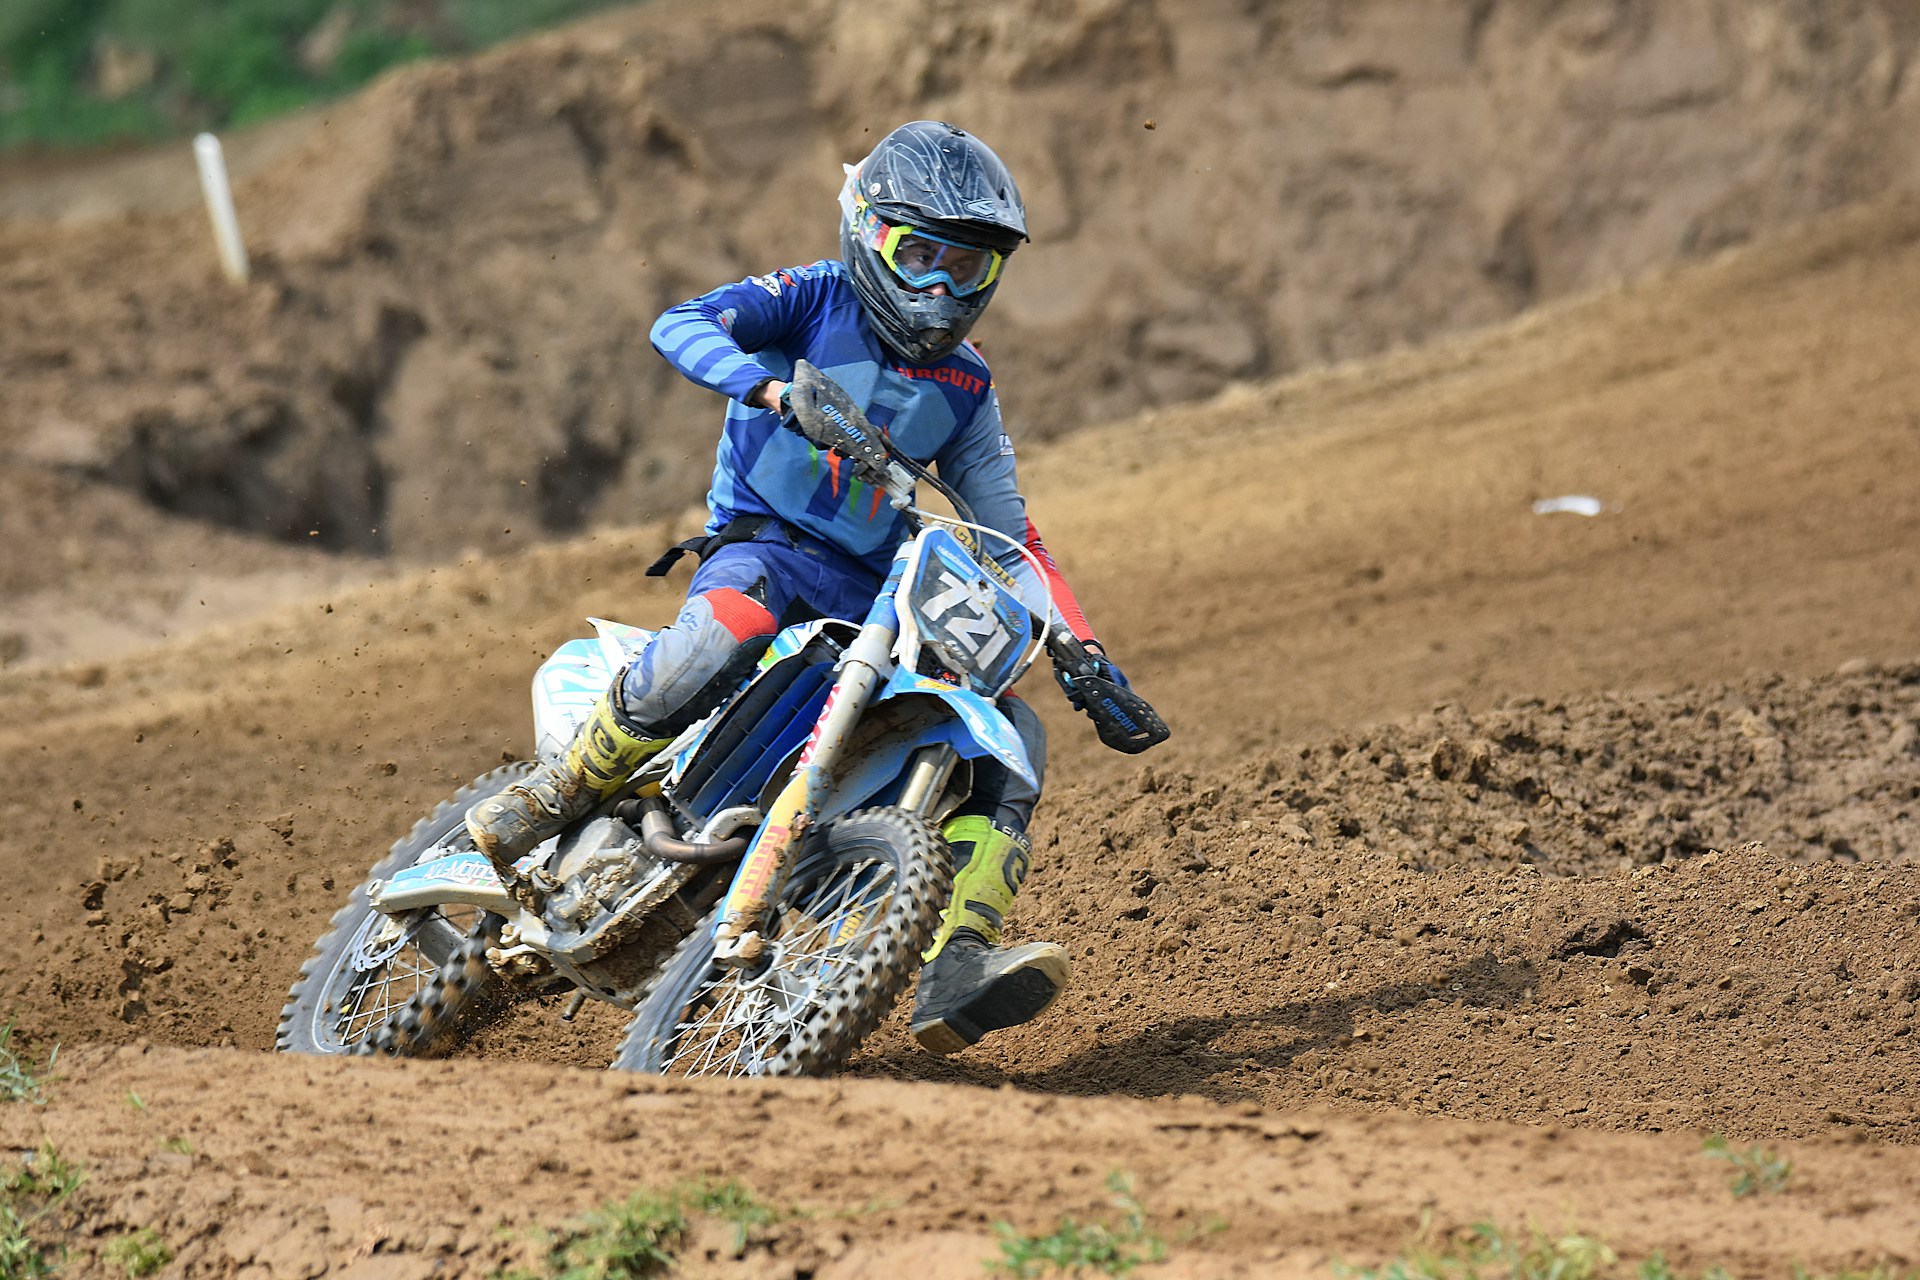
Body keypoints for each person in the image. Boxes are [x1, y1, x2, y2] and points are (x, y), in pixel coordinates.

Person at [466, 120, 1150, 1054]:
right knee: (727, 627)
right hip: (767, 544)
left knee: (1013, 735)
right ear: (869, 235)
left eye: (970, 269)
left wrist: (1083, 651)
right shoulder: (812, 300)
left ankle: (958, 959)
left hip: (872, 589)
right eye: (923, 257)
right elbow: (681, 323)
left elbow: (1009, 532)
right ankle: (560, 786)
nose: (943, 289)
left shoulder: (967, 387)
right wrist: (769, 391)